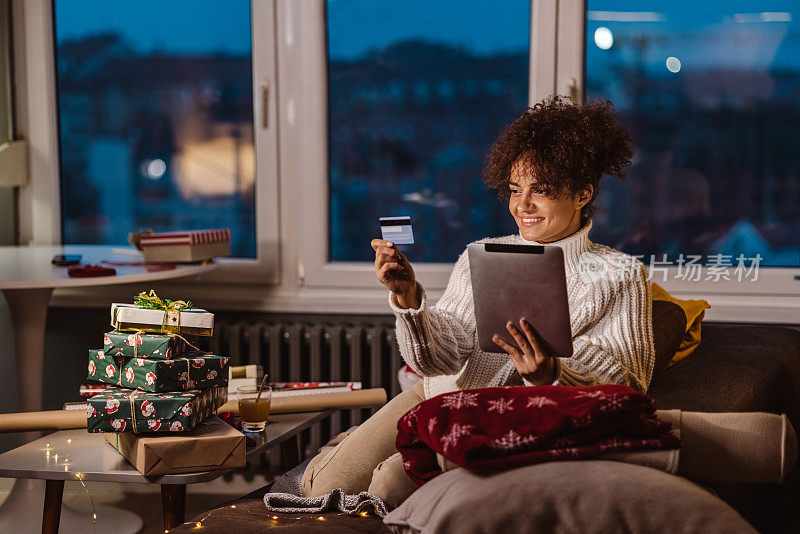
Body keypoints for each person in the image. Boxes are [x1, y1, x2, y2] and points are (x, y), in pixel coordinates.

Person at [301, 95, 652, 498]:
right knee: (324, 490)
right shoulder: (480, 255)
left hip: (516, 417)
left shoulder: (620, 274)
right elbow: (438, 360)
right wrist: (411, 301)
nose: (523, 205)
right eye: (515, 189)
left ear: (583, 193)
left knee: (387, 486)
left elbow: (628, 384)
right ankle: (344, 447)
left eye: (542, 190)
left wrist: (552, 374)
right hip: (435, 397)